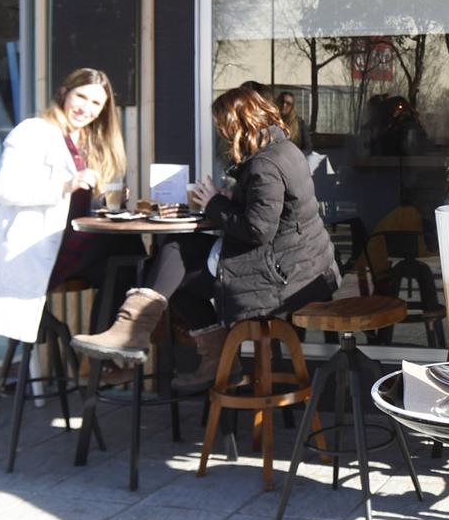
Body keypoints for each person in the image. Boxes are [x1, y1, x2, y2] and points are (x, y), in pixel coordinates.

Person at [72, 86, 340, 389]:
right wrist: (230, 198)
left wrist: (214, 202)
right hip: (299, 265)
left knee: (169, 263)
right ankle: (210, 358)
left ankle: (134, 332)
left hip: (281, 275)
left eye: (223, 125)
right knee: (173, 269)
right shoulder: (284, 149)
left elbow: (257, 230)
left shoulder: (264, 164)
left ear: (238, 122)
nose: (222, 134)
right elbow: (272, 214)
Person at [0, 68, 125, 346]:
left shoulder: (87, 141)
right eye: (81, 97)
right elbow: (5, 191)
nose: (86, 108)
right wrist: (63, 186)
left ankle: (104, 349)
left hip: (69, 242)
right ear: (64, 93)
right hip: (37, 248)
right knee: (120, 251)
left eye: (96, 103)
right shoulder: (33, 132)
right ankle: (103, 354)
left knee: (125, 264)